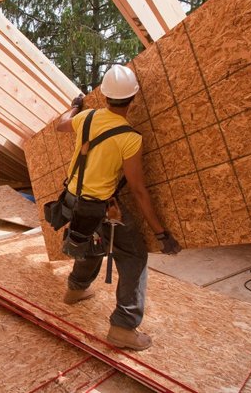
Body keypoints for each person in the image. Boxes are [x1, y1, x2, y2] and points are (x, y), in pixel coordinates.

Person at [56, 65, 182, 351]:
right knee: (134, 255)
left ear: (103, 95)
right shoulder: (130, 138)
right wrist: (161, 234)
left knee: (88, 238)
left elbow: (61, 124)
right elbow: (138, 190)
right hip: (100, 204)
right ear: (133, 99)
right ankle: (124, 327)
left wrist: (75, 106)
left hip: (73, 201)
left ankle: (76, 289)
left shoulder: (86, 118)